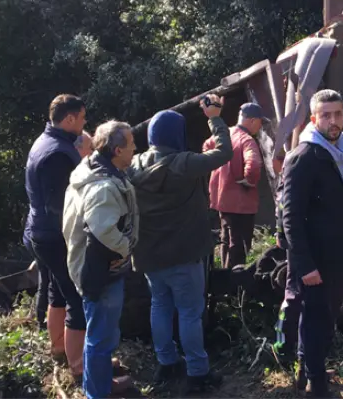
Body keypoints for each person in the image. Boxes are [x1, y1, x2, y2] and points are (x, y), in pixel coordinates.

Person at [127, 96, 232, 391]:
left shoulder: (134, 165)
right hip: (184, 255)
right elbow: (224, 153)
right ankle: (197, 373)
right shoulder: (184, 163)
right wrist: (215, 118)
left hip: (149, 256)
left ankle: (167, 363)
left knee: (159, 305)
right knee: (189, 313)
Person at [281, 89, 343, 397]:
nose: (333, 120)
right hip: (313, 256)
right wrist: (304, 265)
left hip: (337, 252)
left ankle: (308, 368)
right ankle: (316, 384)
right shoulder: (304, 157)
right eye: (325, 115)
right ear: (314, 119)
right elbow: (290, 218)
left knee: (327, 314)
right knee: (315, 317)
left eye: (338, 114)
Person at [63, 120, 139, 399]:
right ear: (117, 150)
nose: (135, 149)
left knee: (101, 332)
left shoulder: (92, 168)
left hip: (91, 264)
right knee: (101, 336)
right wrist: (125, 249)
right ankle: (97, 393)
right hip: (101, 270)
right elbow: (103, 231)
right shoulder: (104, 186)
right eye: (131, 144)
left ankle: (100, 383)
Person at [23, 94, 87, 377]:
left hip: (42, 231)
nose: (84, 123)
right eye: (82, 118)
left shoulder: (45, 141)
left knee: (57, 292)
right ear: (70, 118)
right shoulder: (57, 154)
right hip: (55, 235)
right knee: (76, 297)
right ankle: (79, 366)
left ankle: (60, 349)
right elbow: (59, 204)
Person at [205, 102, 265, 268]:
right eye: (260, 122)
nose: (260, 127)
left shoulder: (224, 134)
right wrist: (249, 180)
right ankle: (235, 279)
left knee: (226, 240)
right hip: (241, 205)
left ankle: (225, 276)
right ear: (252, 120)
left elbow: (206, 147)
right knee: (239, 246)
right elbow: (253, 165)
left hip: (221, 200)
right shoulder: (247, 140)